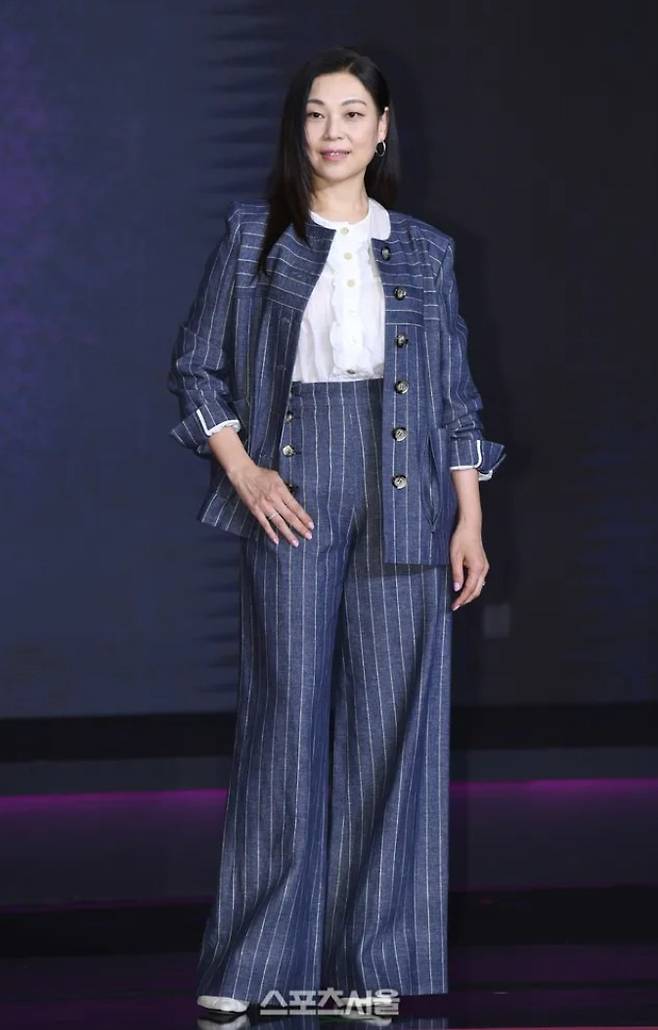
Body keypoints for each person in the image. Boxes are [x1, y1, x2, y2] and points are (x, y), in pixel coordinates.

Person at [167, 45, 506, 1017]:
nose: (333, 132)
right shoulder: (254, 236)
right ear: (298, 127)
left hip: (407, 490)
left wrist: (470, 517)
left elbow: (453, 398)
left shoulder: (425, 251)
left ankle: (372, 970)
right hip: (295, 483)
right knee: (284, 724)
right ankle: (250, 967)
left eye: (353, 114)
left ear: (383, 128)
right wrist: (246, 472)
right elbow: (196, 369)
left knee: (392, 733)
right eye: (317, 113)